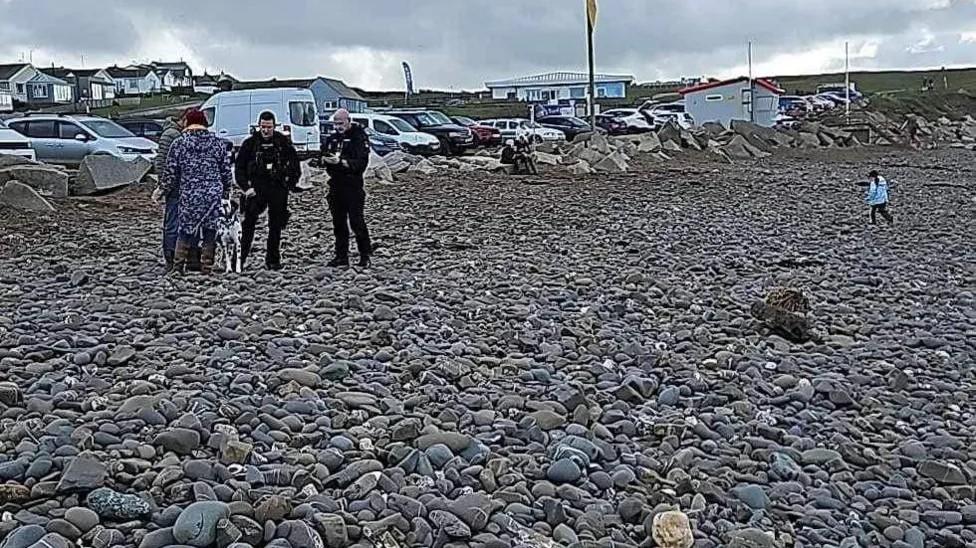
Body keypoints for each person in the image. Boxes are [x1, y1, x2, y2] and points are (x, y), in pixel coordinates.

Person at [162, 109, 233, 274]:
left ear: (187, 122)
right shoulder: (217, 143)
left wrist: (162, 189)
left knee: (185, 229)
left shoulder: (179, 143)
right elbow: (226, 170)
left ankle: (178, 266)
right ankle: (206, 266)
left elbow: (170, 171)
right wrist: (226, 191)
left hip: (189, 194)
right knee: (210, 230)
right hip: (212, 194)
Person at [235, 111, 301, 271]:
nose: (266, 130)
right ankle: (239, 259)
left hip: (277, 188)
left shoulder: (282, 142)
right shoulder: (250, 144)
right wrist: (246, 188)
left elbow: (295, 166)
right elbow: (239, 169)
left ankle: (273, 259)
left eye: (269, 127)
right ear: (259, 126)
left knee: (276, 225)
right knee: (248, 224)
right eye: (263, 127)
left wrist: (290, 184)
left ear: (274, 126)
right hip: (255, 189)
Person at [152, 110, 203, 272]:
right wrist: (164, 186)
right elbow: (163, 163)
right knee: (174, 224)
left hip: (185, 186)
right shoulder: (171, 136)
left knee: (188, 223)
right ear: (184, 121)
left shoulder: (177, 135)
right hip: (176, 187)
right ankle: (173, 258)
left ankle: (187, 257)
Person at [322, 108, 373, 267]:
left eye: (341, 123)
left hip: (353, 185)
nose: (338, 126)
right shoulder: (333, 138)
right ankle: (341, 256)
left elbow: (361, 163)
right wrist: (325, 160)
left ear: (348, 121)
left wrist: (343, 163)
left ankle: (365, 256)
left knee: (357, 222)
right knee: (339, 223)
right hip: (336, 185)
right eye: (335, 124)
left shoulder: (359, 137)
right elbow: (324, 153)